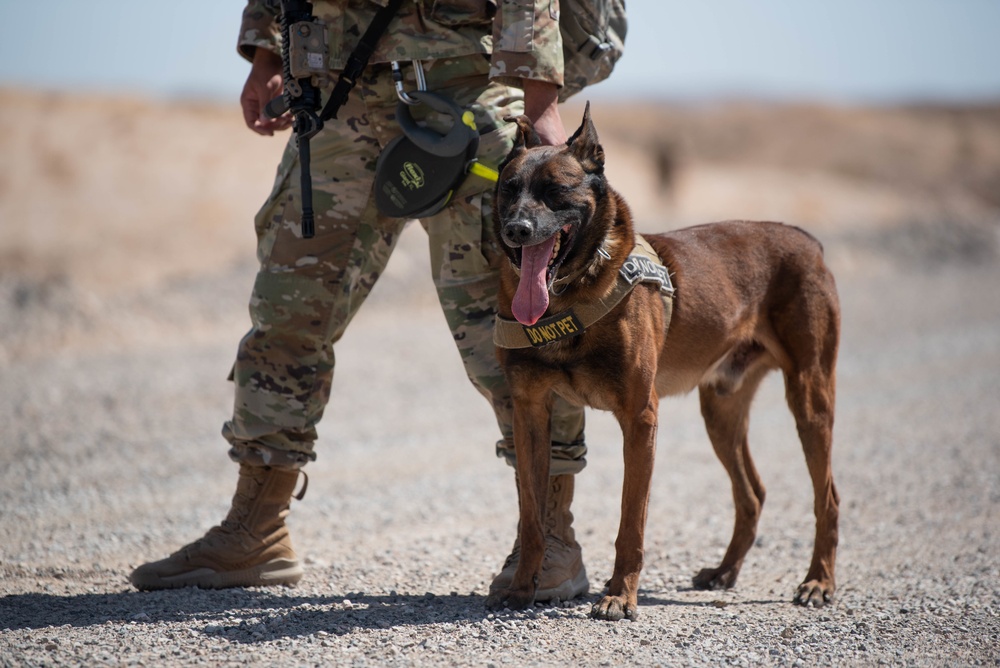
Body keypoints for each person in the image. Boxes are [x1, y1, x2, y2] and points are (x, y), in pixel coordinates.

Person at [130, 0, 590, 603]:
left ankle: (550, 538)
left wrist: (541, 100)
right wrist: (269, 50)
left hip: (469, 86)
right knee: (288, 312)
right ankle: (255, 528)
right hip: (338, 86)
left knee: (510, 329)